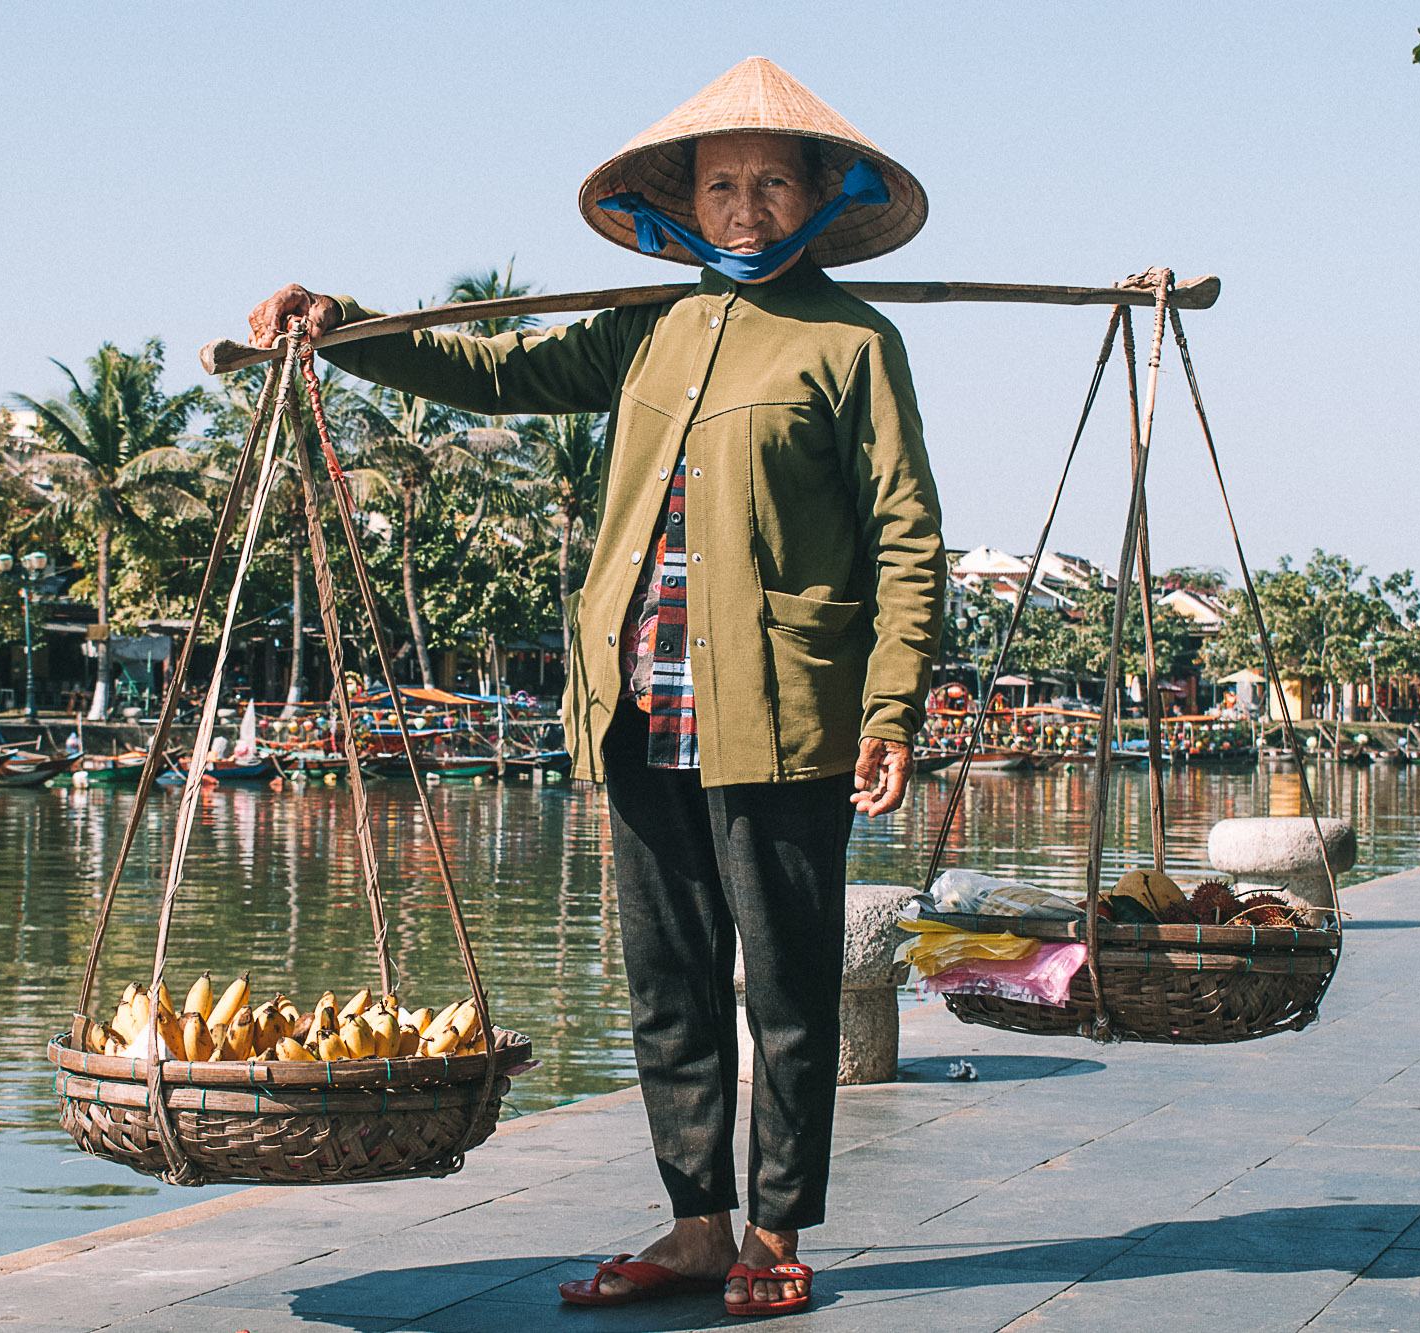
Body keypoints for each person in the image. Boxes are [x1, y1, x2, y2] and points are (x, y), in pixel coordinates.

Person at [249, 58, 944, 1315]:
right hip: (638, 708)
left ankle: (776, 1234)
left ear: (814, 199)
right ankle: (695, 1223)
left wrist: (889, 707)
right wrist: (343, 324)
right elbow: (496, 374)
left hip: (784, 712)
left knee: (785, 986)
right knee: (667, 982)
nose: (744, 210)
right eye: (721, 186)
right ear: (683, 203)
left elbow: (905, 535)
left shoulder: (851, 342)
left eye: (770, 185)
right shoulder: (646, 328)